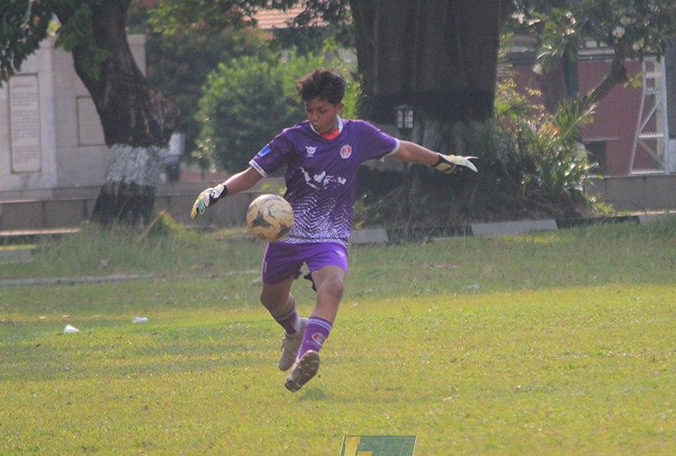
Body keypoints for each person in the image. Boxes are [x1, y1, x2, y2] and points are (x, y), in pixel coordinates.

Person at [191, 68, 477, 392]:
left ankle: (308, 355)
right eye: (309, 110)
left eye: (322, 111)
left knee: (334, 286)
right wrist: (216, 192)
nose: (314, 117)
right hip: (288, 233)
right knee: (271, 299)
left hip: (329, 234)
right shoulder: (293, 138)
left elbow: (405, 149)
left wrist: (442, 161)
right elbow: (251, 174)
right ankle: (294, 331)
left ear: (339, 108)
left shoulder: (359, 135)